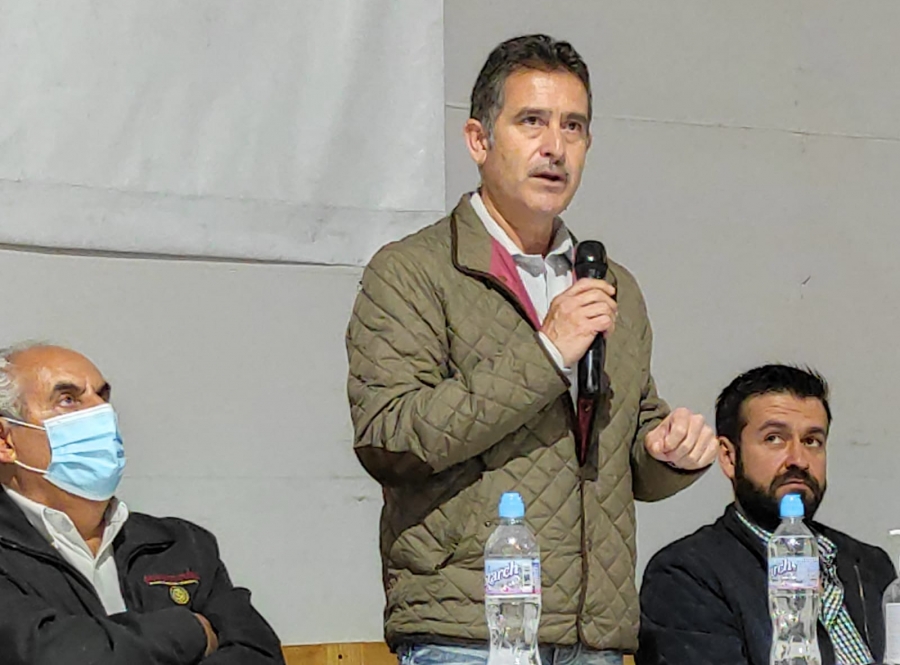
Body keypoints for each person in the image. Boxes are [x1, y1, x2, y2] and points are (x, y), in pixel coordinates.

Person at [346, 34, 718, 664]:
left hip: (594, 637)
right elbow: (392, 437)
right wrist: (547, 352)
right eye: (531, 122)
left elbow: (623, 452)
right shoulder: (413, 272)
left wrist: (667, 452)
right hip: (469, 632)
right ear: (478, 140)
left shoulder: (610, 285)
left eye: (573, 126)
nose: (555, 147)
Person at [0, 342, 285, 665]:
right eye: (68, 399)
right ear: (5, 440)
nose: (101, 413)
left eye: (102, 397)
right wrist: (191, 630)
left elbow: (259, 653)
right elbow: (51, 656)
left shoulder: (180, 545)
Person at [637, 364, 897, 665]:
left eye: (812, 441)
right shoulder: (686, 575)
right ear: (729, 456)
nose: (798, 460)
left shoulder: (870, 566)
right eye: (774, 438)